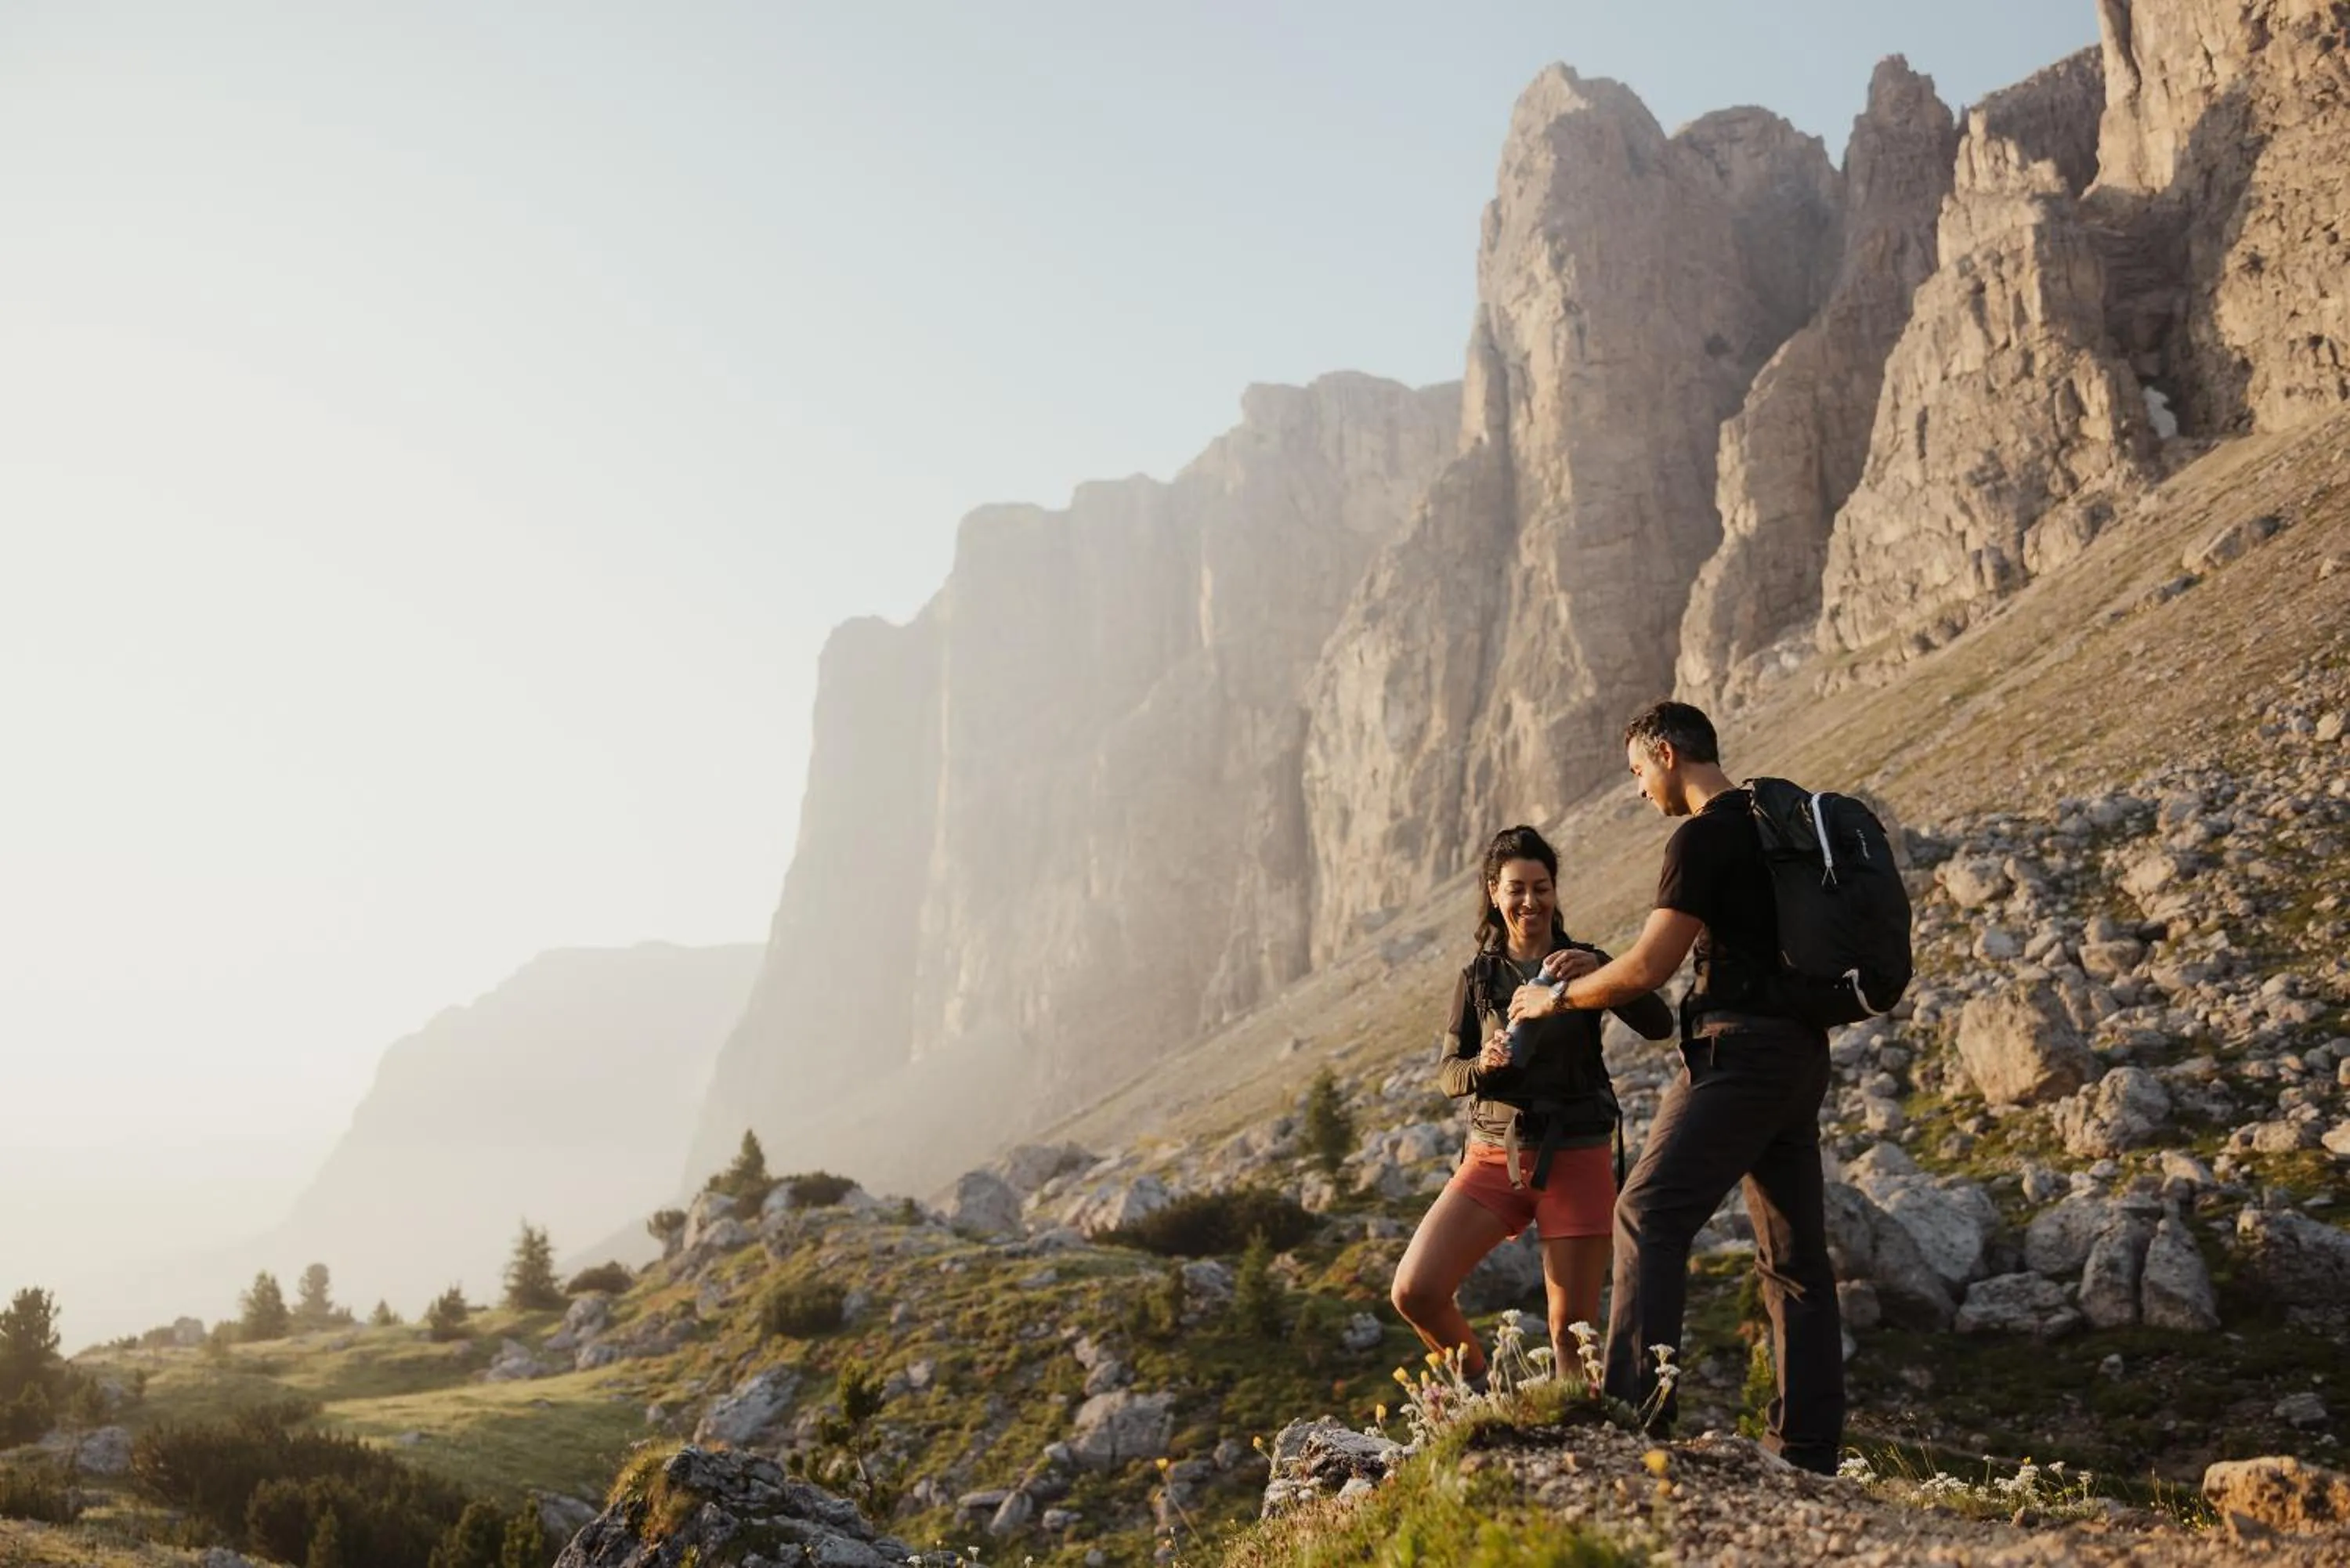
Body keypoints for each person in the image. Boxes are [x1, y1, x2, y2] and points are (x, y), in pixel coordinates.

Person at [1513, 699, 1845, 1473]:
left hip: (1738, 1054)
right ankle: (1807, 1451)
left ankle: (1633, 1422)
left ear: (1665, 752)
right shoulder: (1773, 820)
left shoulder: (1703, 834)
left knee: (1645, 1212)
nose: (1637, 791)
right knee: (1795, 1257)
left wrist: (1558, 996)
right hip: (1800, 1056)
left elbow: (1651, 967)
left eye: (1636, 771)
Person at [1390, 825, 1674, 1386]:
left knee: (1571, 1332)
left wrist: (1598, 973)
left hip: (1577, 1154)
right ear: (1494, 892)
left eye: (1541, 888)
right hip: (1495, 1156)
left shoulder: (1584, 963)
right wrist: (1485, 1067)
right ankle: (1484, 1394)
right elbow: (1450, 1075)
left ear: (1555, 890)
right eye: (1516, 889)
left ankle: (1580, 1443)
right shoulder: (1477, 979)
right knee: (1416, 1291)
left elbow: (1659, 1024)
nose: (1530, 902)